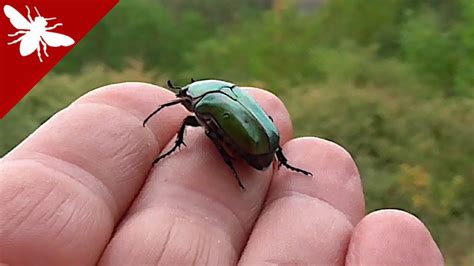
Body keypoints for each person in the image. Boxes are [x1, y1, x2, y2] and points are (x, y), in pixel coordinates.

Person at [0, 83, 444, 265]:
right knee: (208, 136)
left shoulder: (203, 105)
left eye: (180, 98)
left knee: (201, 135)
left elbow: (201, 127)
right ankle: (283, 165)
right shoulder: (215, 96)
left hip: (256, 147)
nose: (180, 103)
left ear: (188, 98)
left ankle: (278, 164)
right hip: (261, 146)